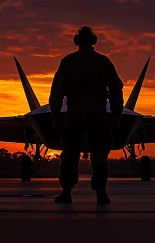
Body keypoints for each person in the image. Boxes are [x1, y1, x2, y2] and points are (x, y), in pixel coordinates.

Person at [49, 26, 124, 205]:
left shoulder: (68, 61)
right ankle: (101, 193)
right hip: (98, 111)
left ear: (76, 40)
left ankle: (66, 192)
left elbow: (57, 91)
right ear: (94, 40)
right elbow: (116, 89)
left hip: (74, 111)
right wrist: (116, 115)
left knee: (69, 152)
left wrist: (55, 116)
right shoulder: (103, 61)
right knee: (99, 152)